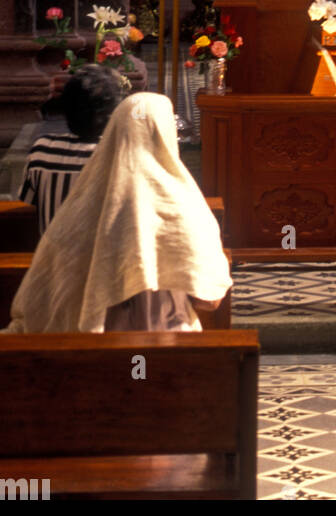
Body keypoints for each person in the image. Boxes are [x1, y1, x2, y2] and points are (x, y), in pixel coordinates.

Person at [5, 92, 231, 333]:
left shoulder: (80, 207)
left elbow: (44, 297)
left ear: (114, 130)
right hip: (167, 349)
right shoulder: (185, 205)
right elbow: (209, 300)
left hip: (92, 352)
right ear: (165, 134)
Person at [19, 65, 126, 235]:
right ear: (112, 113)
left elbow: (28, 200)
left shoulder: (42, 150)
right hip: (102, 260)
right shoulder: (120, 156)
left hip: (52, 260)